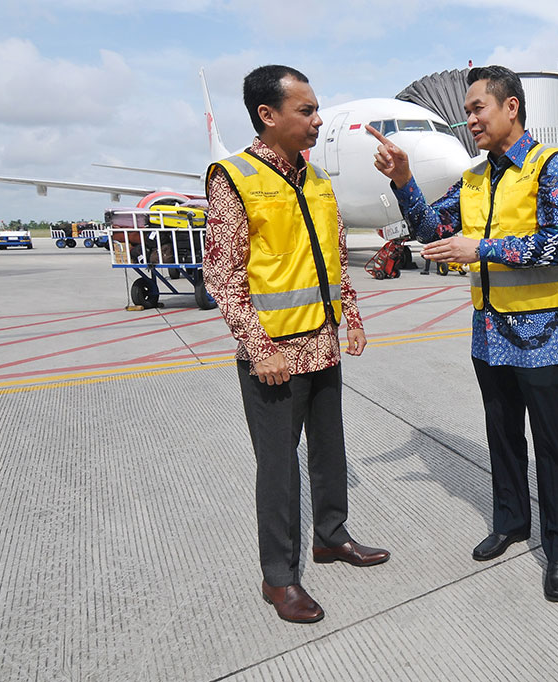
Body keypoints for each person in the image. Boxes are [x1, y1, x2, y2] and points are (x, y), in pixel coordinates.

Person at [368, 65, 558, 602]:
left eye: (476, 109)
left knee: (551, 443)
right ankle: (511, 522)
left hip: (540, 334)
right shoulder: (474, 179)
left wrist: (480, 249)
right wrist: (403, 181)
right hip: (489, 332)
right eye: (466, 111)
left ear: (511, 107)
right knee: (502, 433)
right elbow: (429, 230)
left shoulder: (553, 167)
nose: (469, 120)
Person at [203, 65, 389, 625]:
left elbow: (333, 261)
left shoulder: (317, 180)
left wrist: (350, 317)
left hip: (323, 347)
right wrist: (258, 347)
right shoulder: (233, 177)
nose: (316, 120)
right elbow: (224, 274)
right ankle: (278, 578)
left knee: (330, 454)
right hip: (275, 358)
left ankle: (331, 537)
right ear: (268, 115)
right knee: (279, 470)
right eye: (305, 111)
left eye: (315, 109)